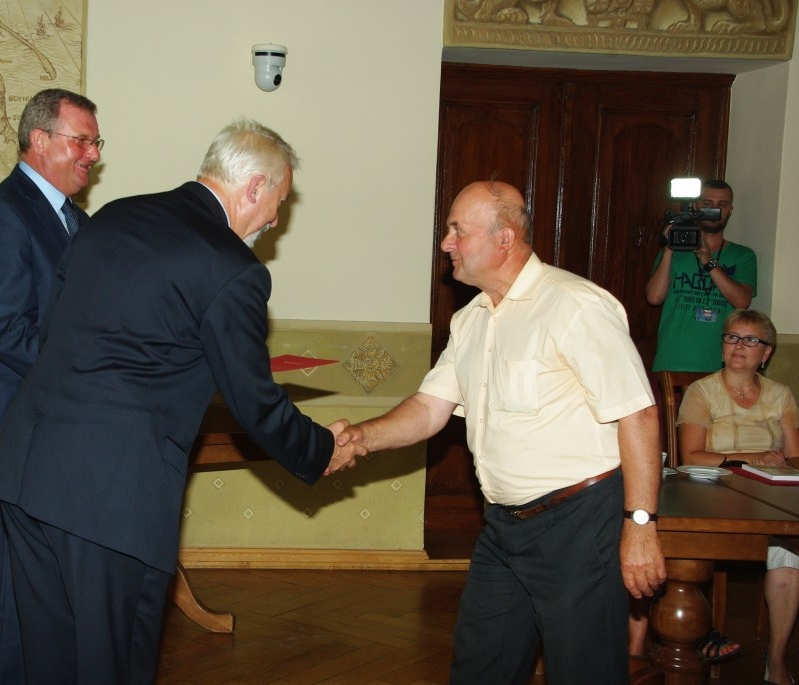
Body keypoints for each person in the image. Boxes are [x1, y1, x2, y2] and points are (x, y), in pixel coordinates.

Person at [0, 118, 364, 683]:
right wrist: (320, 448)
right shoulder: (233, 269)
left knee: (45, 660)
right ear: (253, 186)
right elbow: (254, 403)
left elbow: (52, 334)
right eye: (276, 202)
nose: (275, 218)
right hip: (111, 498)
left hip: (26, 470)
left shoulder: (113, 216)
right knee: (111, 663)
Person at [336, 180, 666, 684]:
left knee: (585, 673)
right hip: (503, 529)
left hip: (578, 525)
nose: (446, 243)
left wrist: (640, 524)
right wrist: (360, 438)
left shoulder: (574, 304)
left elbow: (638, 414)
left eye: (457, 231)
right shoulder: (471, 321)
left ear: (505, 238)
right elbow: (429, 408)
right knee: (480, 665)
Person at [0, 87, 101, 684]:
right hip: (23, 439)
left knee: (60, 608)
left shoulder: (78, 221)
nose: (92, 155)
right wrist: (103, 363)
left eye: (97, 143)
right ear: (39, 141)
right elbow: (10, 334)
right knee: (24, 608)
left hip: (65, 441)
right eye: (82, 140)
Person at [678, 309, 799, 685]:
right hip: (715, 487)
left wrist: (776, 465)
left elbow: (795, 455)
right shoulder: (702, 391)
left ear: (766, 352)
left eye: (750, 340)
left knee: (790, 552)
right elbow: (691, 456)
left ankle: (776, 658)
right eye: (732, 337)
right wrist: (748, 458)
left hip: (771, 488)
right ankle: (703, 629)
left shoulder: (781, 395)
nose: (739, 346)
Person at [646, 179, 757, 372]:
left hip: (720, 365)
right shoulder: (675, 253)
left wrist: (708, 260)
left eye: (722, 205)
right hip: (673, 361)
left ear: (730, 210)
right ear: (696, 207)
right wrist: (669, 249)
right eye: (707, 204)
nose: (714, 210)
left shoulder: (743, 255)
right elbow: (654, 297)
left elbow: (742, 301)